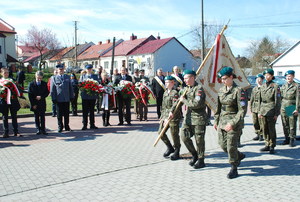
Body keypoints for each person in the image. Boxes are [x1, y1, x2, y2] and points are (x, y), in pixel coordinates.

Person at [214, 67, 246, 179]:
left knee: (231, 145)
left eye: (225, 78)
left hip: (234, 122)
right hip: (222, 121)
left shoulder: (239, 90)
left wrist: (232, 123)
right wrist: (216, 120)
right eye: (221, 79)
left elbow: (242, 110)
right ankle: (239, 155)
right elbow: (218, 108)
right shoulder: (221, 90)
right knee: (223, 145)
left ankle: (234, 167)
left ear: (231, 77)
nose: (223, 81)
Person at [173, 70, 207, 169]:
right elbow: (178, 101)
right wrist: (172, 111)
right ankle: (194, 154)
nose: (184, 80)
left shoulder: (199, 89)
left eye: (186, 78)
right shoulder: (186, 89)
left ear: (192, 78)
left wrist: (184, 100)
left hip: (198, 119)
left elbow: (196, 104)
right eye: (184, 78)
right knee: (183, 136)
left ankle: (201, 160)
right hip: (188, 119)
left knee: (199, 140)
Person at [159, 76, 181, 160]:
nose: (166, 83)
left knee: (174, 134)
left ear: (172, 83)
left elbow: (175, 105)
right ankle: (169, 147)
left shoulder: (175, 93)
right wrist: (162, 117)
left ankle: (177, 150)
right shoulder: (165, 93)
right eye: (165, 82)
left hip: (173, 117)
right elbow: (164, 106)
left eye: (168, 82)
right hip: (165, 116)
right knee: (161, 132)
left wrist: (170, 114)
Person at [258, 69, 281, 154]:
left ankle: (272, 145)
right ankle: (267, 144)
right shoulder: (263, 86)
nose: (266, 77)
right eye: (265, 75)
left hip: (271, 110)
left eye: (268, 75)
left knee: (271, 129)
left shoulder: (275, 86)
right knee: (264, 128)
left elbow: (277, 101)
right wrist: (259, 111)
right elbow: (260, 100)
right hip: (263, 110)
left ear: (272, 76)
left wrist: (276, 113)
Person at [50, 64, 74, 133]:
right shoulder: (54, 78)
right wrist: (53, 98)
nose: (61, 71)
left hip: (66, 98)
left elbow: (70, 87)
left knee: (66, 113)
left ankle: (67, 126)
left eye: (62, 69)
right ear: (57, 70)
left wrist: (71, 96)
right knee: (59, 114)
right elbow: (52, 89)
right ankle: (60, 126)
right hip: (58, 99)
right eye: (60, 70)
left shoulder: (67, 77)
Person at [0, 68, 22, 138]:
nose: (6, 74)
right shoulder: (0, 81)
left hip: (12, 100)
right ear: (1, 73)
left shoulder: (12, 80)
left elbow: (17, 89)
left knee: (14, 116)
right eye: (5, 73)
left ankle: (16, 131)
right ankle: (5, 132)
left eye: (7, 72)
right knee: (4, 117)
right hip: (4, 101)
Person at [280, 70, 299, 147]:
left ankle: (292, 139)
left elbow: (298, 98)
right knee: (285, 123)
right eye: (287, 76)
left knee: (292, 123)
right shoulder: (283, 86)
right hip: (283, 106)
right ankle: (286, 138)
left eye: (290, 76)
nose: (288, 78)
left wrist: (297, 109)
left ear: (293, 77)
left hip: (291, 106)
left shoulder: (296, 86)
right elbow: (280, 97)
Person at [79, 64, 99, 130]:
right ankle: (84, 124)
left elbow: (97, 84)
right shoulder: (83, 76)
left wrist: (93, 87)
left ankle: (92, 124)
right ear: (86, 69)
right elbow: (80, 85)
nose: (89, 70)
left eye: (90, 69)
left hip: (92, 96)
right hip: (85, 96)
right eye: (88, 69)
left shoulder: (95, 76)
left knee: (92, 111)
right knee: (85, 111)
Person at [250, 74, 264, 141]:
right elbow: (252, 99)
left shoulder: (264, 88)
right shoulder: (254, 88)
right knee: (255, 122)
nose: (258, 80)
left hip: (261, 107)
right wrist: (251, 107)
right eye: (257, 79)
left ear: (262, 80)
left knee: (261, 122)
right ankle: (257, 133)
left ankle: (261, 134)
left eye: (260, 79)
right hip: (255, 107)